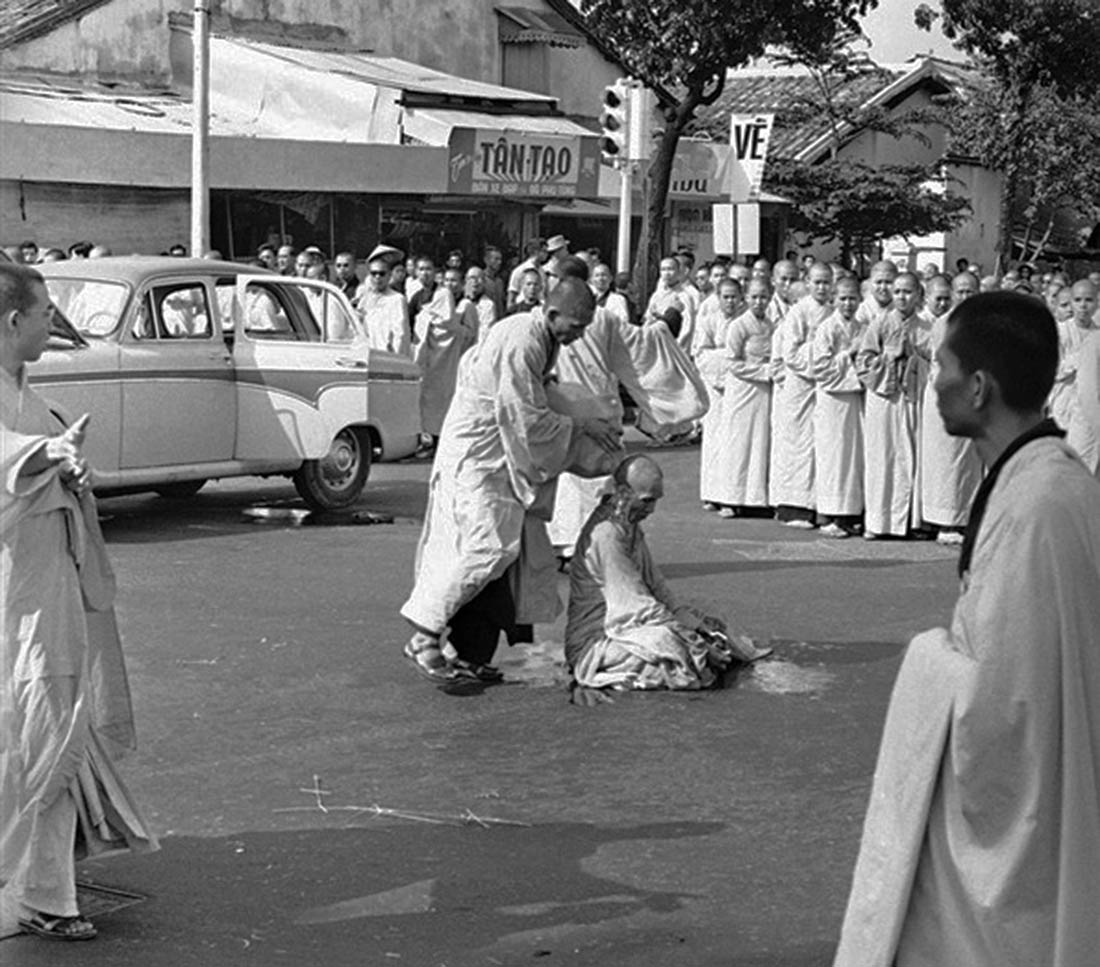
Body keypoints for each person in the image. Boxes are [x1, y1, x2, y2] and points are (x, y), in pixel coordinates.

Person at [833, 290, 1100, 967]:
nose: (935, 380)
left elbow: (1006, 707)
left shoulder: (1039, 505)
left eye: (942, 365)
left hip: (1030, 822)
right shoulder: (1037, 483)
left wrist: (928, 655)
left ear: (979, 387)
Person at [0, 264, 157, 941]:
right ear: (12, 320)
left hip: (43, 581)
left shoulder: (23, 389)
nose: (49, 325)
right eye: (42, 314)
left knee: (45, 722)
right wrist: (45, 453)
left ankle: (46, 883)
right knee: (45, 725)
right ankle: (40, 892)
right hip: (24, 593)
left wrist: (67, 468)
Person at [400, 279, 622, 683]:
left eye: (585, 325)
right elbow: (526, 419)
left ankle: (470, 653)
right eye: (575, 324)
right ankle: (424, 633)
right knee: (487, 549)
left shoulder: (541, 337)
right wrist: (582, 424)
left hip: (500, 459)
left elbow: (525, 399)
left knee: (502, 561)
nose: (580, 333)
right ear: (553, 313)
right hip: (479, 459)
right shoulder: (524, 340)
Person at [565, 455, 771, 697]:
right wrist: (693, 640)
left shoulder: (627, 524)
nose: (651, 510)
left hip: (628, 624)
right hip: (597, 641)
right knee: (674, 646)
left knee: (706, 620)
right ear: (623, 492)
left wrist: (700, 628)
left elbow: (657, 587)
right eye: (646, 501)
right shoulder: (607, 535)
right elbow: (636, 605)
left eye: (655, 501)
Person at [857, 272, 932, 539]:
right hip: (883, 398)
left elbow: (937, 366)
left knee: (909, 457)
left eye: (908, 291)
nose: (902, 296)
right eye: (897, 291)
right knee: (881, 457)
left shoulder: (926, 329)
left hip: (912, 398)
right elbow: (863, 363)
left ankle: (908, 522)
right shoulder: (878, 324)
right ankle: (877, 523)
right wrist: (888, 358)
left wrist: (915, 359)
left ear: (919, 295)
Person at [918, 272, 982, 543]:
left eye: (971, 292)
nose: (965, 297)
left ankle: (964, 519)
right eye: (961, 292)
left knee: (968, 463)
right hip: (946, 397)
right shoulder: (944, 324)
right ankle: (943, 522)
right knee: (945, 461)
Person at [771, 262, 834, 526]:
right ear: (807, 282)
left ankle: (821, 504)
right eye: (816, 282)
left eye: (826, 282)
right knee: (798, 445)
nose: (821, 287)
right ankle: (794, 507)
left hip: (824, 385)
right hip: (800, 384)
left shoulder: (833, 312)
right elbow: (791, 353)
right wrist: (819, 356)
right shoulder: (798, 312)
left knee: (823, 446)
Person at [811, 276, 865, 537]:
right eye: (842, 299)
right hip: (832, 400)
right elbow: (819, 368)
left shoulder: (863, 327)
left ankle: (849, 512)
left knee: (852, 457)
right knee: (833, 456)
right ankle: (830, 514)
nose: (848, 304)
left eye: (852, 298)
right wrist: (848, 354)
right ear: (834, 300)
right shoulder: (826, 328)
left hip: (854, 399)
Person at [719, 278, 774, 514]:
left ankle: (754, 498)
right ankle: (730, 498)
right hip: (742, 389)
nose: (759, 302)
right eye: (754, 297)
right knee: (738, 443)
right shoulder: (739, 326)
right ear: (746, 298)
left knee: (760, 443)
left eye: (763, 297)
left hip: (763, 393)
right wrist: (762, 371)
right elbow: (732, 362)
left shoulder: (771, 326)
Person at [1064, 279, 1099, 472]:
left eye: (1089, 300)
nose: (1083, 306)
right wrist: (1077, 360)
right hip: (1062, 410)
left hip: (1087, 415)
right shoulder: (1061, 332)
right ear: (1070, 302)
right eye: (1078, 300)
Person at [357, 257, 410, 357]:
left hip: (387, 357)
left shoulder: (397, 299)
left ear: (389, 275)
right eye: (374, 273)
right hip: (367, 355)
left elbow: (400, 334)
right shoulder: (365, 299)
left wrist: (396, 359)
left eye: (382, 273)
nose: (378, 277)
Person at [645, 257, 696, 354]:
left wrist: (677, 349)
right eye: (663, 269)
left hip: (673, 347)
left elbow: (687, 327)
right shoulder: (656, 296)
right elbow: (648, 319)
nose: (667, 273)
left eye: (670, 269)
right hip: (655, 345)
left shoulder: (684, 296)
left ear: (678, 272)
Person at [506, 238, 547, 310]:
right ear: (535, 251)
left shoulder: (542, 272)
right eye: (543, 251)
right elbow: (511, 299)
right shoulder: (519, 271)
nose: (546, 254)